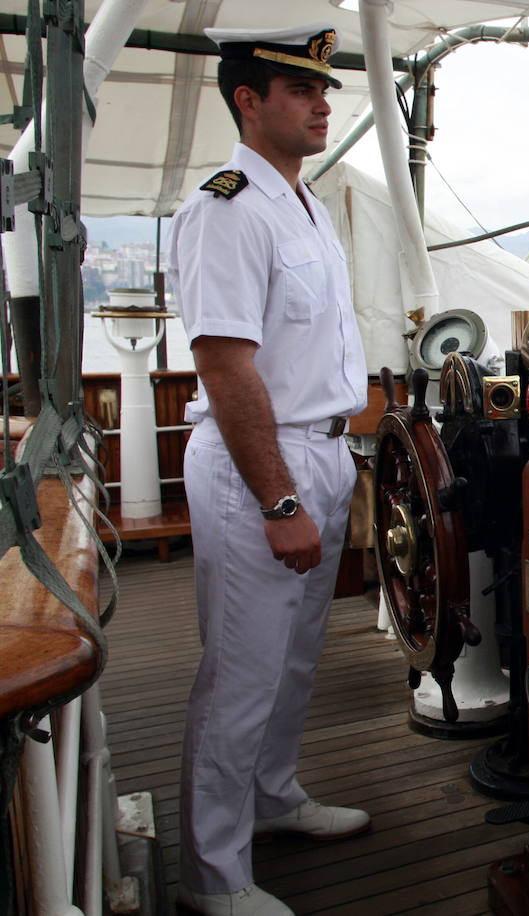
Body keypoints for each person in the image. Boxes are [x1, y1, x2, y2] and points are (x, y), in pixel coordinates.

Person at [168, 24, 370, 916]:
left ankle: (273, 797)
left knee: (292, 661)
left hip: (324, 453)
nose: (324, 102)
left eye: (324, 87)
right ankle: (215, 876)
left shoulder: (305, 203)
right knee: (242, 672)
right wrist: (280, 496)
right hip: (262, 465)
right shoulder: (226, 207)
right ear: (249, 100)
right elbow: (225, 363)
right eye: (300, 89)